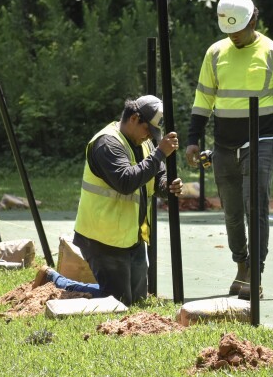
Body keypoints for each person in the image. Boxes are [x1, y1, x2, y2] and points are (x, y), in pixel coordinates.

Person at [185, 0, 273, 300]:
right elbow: (203, 99)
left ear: (253, 19)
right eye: (229, 31)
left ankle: (255, 273)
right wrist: (193, 140)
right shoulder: (215, 53)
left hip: (262, 139)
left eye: (238, 29)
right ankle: (241, 264)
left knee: (256, 207)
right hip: (224, 143)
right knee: (232, 212)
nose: (234, 37)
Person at [48, 95, 185, 305]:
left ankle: (65, 282)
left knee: (137, 300)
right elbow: (126, 182)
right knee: (117, 301)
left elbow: (158, 178)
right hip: (102, 238)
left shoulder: (146, 143)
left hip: (131, 236)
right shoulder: (107, 143)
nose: (150, 135)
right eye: (147, 129)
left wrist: (168, 186)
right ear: (134, 118)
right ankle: (56, 281)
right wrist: (159, 154)